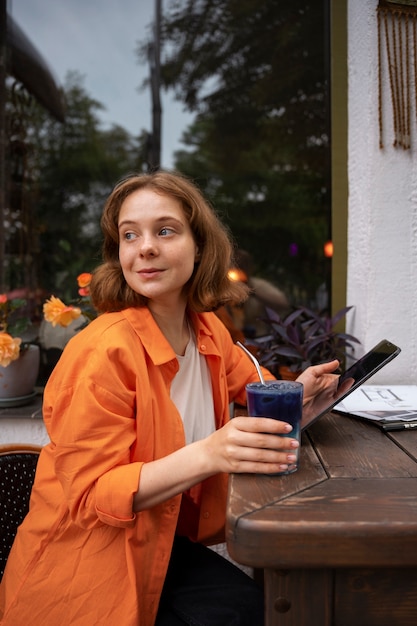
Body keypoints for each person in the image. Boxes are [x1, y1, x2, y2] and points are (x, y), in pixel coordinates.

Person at [0, 171, 346, 626]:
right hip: (85, 569)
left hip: (160, 546)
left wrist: (297, 402)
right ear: (118, 252)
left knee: (259, 609)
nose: (145, 247)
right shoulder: (102, 351)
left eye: (165, 230)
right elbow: (94, 495)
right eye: (130, 235)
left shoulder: (208, 331)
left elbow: (253, 391)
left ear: (199, 246)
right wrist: (210, 452)